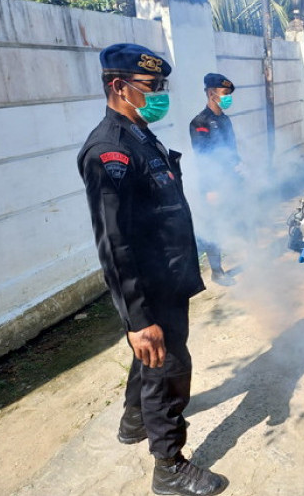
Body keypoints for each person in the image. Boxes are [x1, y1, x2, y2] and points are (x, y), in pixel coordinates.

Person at [77, 43, 229, 496]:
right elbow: (114, 243)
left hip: (169, 275)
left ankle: (133, 423)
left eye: (162, 85)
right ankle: (170, 468)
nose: (160, 93)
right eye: (151, 86)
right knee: (168, 365)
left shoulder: (141, 133)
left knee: (153, 357)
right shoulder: (109, 150)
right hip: (151, 286)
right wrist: (139, 320)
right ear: (118, 87)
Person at [188, 73, 241, 286]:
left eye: (229, 94)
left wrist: (239, 166)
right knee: (213, 225)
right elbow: (203, 158)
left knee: (230, 219)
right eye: (225, 93)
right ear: (211, 93)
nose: (228, 98)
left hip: (229, 180)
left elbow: (231, 149)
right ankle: (217, 272)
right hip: (212, 184)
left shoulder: (225, 119)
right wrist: (211, 189)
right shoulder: (200, 122)